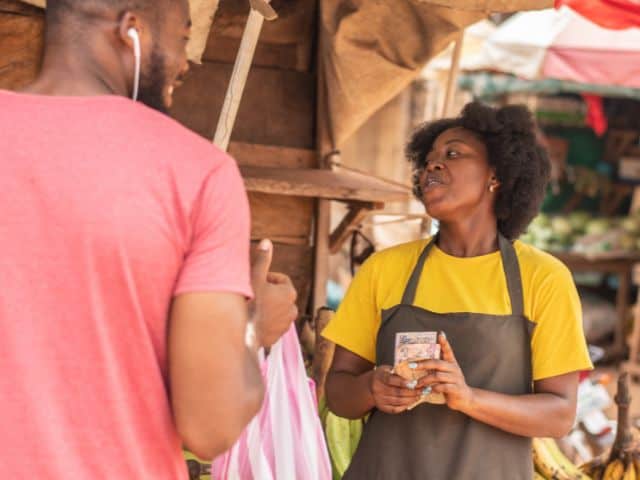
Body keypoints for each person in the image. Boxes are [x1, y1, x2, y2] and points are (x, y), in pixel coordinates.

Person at [0, 0, 297, 478]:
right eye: (182, 39)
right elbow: (209, 425)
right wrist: (254, 325)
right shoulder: (197, 173)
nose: (184, 64)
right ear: (129, 30)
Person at [322, 102, 593, 479]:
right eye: (428, 160)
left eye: (453, 153)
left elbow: (560, 414)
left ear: (495, 175)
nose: (432, 166)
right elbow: (338, 391)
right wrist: (371, 388)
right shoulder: (385, 269)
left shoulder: (543, 279)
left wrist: (469, 399)